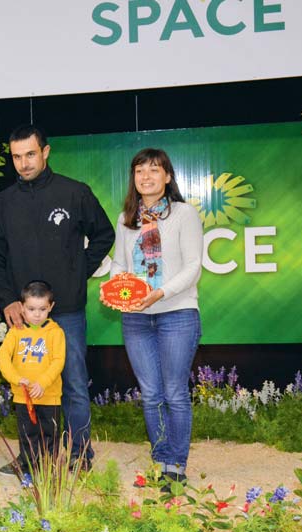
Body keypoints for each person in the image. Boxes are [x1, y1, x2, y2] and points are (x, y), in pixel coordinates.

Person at [0, 125, 114, 471]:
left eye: (30, 154)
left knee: (72, 386)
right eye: (16, 157)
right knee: (27, 390)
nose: (23, 163)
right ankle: (33, 458)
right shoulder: (3, 202)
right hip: (23, 318)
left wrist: (77, 270)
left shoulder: (74, 193)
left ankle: (80, 454)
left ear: (46, 152)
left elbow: (104, 234)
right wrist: (9, 300)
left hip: (66, 311)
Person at [109, 148, 203, 490]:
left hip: (177, 314)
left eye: (153, 170)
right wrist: (118, 288)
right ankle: (160, 461)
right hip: (136, 319)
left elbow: (194, 266)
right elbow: (120, 263)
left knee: (175, 392)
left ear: (167, 176)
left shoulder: (183, 214)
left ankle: (177, 465)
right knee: (150, 394)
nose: (145, 177)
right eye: (139, 171)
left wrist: (160, 293)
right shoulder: (126, 219)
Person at [0, 280, 65, 476]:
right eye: (31, 309)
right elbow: (2, 357)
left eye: (42, 309)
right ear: (22, 308)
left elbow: (58, 361)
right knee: (27, 434)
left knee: (50, 434)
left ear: (51, 307)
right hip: (23, 396)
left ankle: (50, 468)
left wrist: (42, 383)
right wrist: (17, 379)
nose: (36, 314)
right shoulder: (15, 332)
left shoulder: (56, 333)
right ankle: (27, 465)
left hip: (49, 395)